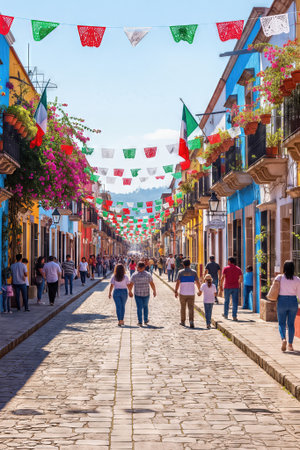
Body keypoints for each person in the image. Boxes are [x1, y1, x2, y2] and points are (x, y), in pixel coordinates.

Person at [275, 260, 300, 352]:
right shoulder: (297, 279)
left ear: (284, 268)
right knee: (291, 324)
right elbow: (299, 294)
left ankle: (283, 339)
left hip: (282, 301)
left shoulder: (280, 277)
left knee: (281, 323)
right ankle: (290, 345)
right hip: (293, 301)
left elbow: (274, 287)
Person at [128, 261, 157, 327]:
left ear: (137, 267)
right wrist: (154, 291)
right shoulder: (148, 274)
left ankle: (140, 322)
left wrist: (130, 291)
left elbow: (131, 285)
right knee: (145, 306)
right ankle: (146, 320)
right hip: (146, 293)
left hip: (137, 294)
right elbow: (152, 284)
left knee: (139, 308)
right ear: (144, 267)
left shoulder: (134, 275)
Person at [175, 258, 201, 329]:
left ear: (183, 265)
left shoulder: (180, 272)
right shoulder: (194, 272)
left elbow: (178, 282)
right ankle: (191, 321)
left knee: (183, 307)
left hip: (183, 293)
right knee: (191, 308)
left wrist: (176, 291)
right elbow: (198, 282)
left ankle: (183, 321)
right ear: (189, 264)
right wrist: (200, 290)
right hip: (191, 293)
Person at [219, 257, 243, 321]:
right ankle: (234, 316)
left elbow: (222, 278)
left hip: (227, 287)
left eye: (228, 261)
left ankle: (226, 315)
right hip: (235, 287)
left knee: (226, 301)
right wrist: (238, 283)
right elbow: (241, 279)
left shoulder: (226, 268)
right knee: (235, 302)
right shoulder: (238, 269)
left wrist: (220, 286)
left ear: (229, 261)